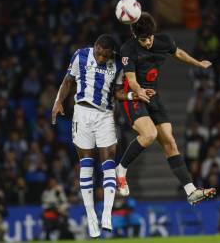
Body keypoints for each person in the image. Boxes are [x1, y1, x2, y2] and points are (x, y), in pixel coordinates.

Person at [51, 34, 154, 237]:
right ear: (95, 46)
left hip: (105, 115)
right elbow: (68, 81)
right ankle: (91, 215)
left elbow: (117, 92)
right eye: (99, 53)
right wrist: (58, 101)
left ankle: (106, 213)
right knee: (87, 164)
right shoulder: (80, 55)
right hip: (82, 113)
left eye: (105, 56)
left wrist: (135, 94)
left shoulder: (115, 63)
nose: (101, 58)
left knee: (108, 163)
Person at [116, 12, 216, 204]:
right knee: (149, 134)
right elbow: (131, 80)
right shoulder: (128, 49)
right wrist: (139, 91)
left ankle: (191, 191)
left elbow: (178, 53)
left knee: (170, 142)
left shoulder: (164, 41)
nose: (146, 43)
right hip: (134, 97)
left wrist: (198, 63)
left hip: (153, 96)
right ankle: (121, 169)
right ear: (135, 36)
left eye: (149, 38)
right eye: (142, 39)